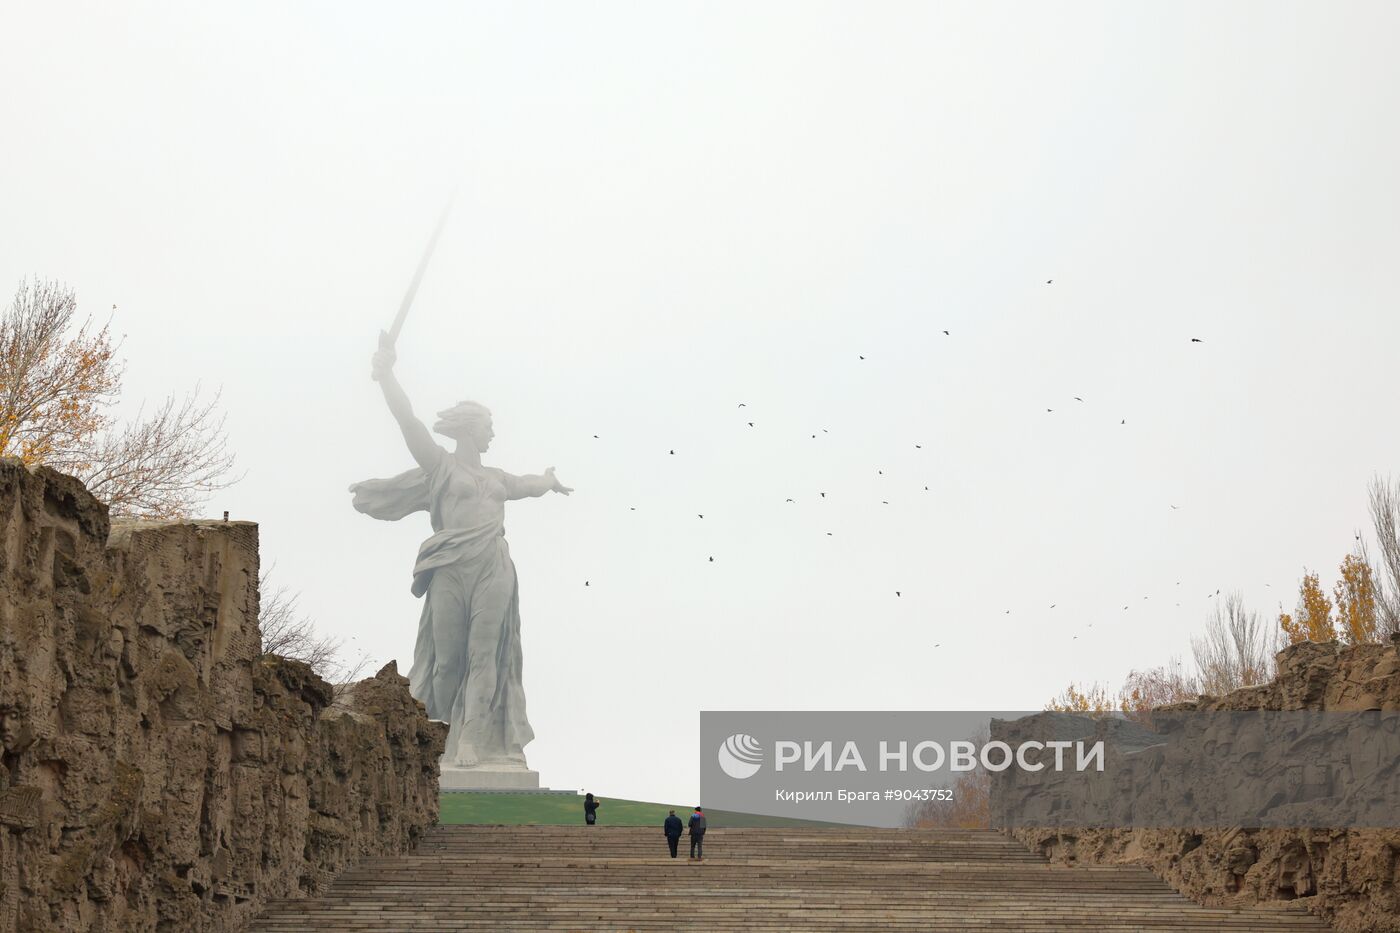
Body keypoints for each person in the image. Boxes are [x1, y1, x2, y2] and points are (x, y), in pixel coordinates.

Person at [351, 339, 572, 771]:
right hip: (450, 567)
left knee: (484, 655)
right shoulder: (440, 466)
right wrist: (387, 375)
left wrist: (548, 480)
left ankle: (471, 739)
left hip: (492, 564)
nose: (493, 433)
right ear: (470, 428)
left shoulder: (497, 477)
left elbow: (529, 485)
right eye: (488, 426)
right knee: (448, 661)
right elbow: (407, 420)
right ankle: (443, 739)